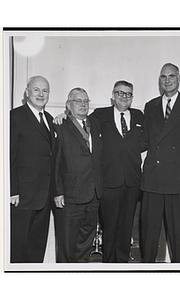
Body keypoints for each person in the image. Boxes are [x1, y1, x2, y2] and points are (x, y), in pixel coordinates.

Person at [140, 63, 180, 263]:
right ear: (159, 80)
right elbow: (143, 139)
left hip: (179, 181)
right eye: (163, 77)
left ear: (179, 79)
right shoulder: (150, 106)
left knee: (178, 237)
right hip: (153, 179)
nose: (167, 80)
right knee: (149, 235)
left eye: (171, 76)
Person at [90, 80, 144, 263]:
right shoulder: (99, 115)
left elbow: (146, 140)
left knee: (126, 225)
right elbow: (81, 125)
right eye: (120, 93)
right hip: (109, 180)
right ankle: (109, 265)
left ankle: (122, 264)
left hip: (132, 181)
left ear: (132, 98)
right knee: (110, 225)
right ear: (113, 95)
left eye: (128, 94)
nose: (124, 97)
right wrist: (62, 117)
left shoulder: (139, 116)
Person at [53, 87, 103, 263]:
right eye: (78, 101)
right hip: (70, 196)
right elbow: (56, 163)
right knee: (67, 244)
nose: (83, 104)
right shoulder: (60, 126)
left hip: (93, 194)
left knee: (85, 242)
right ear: (68, 105)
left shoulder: (95, 123)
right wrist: (58, 192)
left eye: (86, 101)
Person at [10, 75, 55, 263]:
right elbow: (8, 157)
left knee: (37, 248)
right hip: (22, 197)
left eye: (45, 90)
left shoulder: (50, 119)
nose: (41, 94)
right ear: (27, 92)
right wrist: (12, 191)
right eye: (36, 89)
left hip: (43, 197)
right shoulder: (15, 116)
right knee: (18, 248)